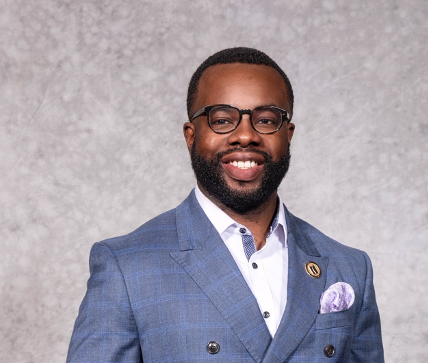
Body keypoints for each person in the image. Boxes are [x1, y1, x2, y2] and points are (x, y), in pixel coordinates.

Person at [67, 47, 384, 362]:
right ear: (191, 136)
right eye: (222, 120)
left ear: (287, 135)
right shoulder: (127, 266)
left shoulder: (349, 267)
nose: (245, 136)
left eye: (265, 119)